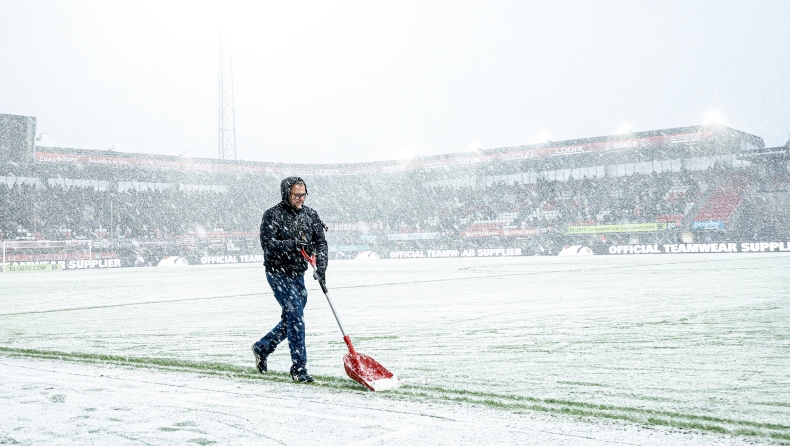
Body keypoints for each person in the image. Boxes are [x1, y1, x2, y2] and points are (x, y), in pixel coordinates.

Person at [252, 177, 328, 383]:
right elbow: (267, 244)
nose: (300, 199)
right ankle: (299, 368)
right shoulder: (272, 215)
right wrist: (294, 243)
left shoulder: (311, 215)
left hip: (298, 274)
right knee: (295, 315)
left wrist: (321, 268)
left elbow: (321, 243)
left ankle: (263, 346)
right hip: (277, 272)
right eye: (296, 195)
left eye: (303, 195)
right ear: (286, 193)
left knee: (292, 318)